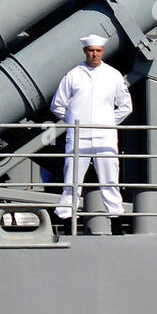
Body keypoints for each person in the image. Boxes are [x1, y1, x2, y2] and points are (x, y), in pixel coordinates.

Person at [51, 34, 132, 233]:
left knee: (110, 177)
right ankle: (66, 218)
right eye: (91, 50)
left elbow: (125, 106)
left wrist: (107, 123)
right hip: (79, 134)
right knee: (72, 178)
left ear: (102, 52)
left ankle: (115, 219)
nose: (94, 54)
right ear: (85, 51)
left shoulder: (113, 75)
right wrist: (74, 122)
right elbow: (58, 105)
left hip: (105, 135)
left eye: (98, 51)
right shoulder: (73, 75)